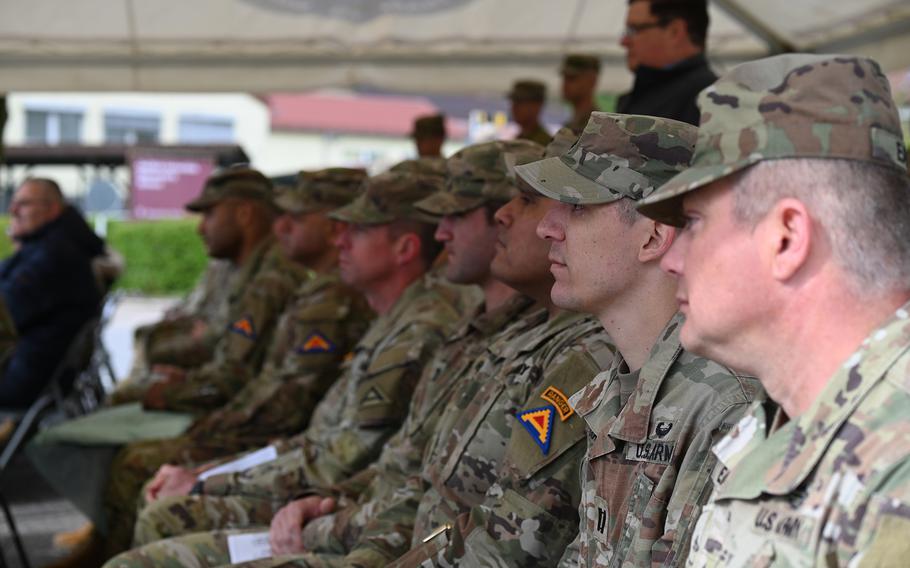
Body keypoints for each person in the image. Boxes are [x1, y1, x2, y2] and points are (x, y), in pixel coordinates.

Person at [104, 140, 555, 568]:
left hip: (366, 528)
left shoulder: (429, 328)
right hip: (353, 515)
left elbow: (341, 454)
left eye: (358, 230)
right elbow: (382, 464)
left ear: (404, 247)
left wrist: (213, 479)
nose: (340, 241)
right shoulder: (466, 328)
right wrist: (216, 475)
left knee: (154, 524)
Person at [636, 53, 910, 566]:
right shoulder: (776, 421)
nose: (671, 259)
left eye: (693, 222)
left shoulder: (897, 462)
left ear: (786, 238)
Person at [521, 111, 765, 566]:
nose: (546, 228)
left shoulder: (726, 407)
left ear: (653, 237)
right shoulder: (621, 387)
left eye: (576, 206)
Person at [28, 165, 306, 562]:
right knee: (125, 433)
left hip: (244, 418)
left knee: (134, 459)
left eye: (211, 213)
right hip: (233, 408)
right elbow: (220, 352)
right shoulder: (243, 270)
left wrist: (167, 391)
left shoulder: (271, 279)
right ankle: (106, 540)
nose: (200, 227)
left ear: (244, 213)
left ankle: (112, 549)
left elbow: (233, 376)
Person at [100, 167, 374, 557]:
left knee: (141, 471)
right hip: (289, 448)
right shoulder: (312, 287)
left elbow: (277, 403)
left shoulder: (321, 295)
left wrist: (205, 449)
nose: (283, 228)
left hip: (292, 455)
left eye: (297, 217)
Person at [0, 177, 104, 409]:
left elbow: (8, 309)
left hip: (20, 376)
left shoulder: (54, 255)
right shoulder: (57, 244)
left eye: (24, 203)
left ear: (53, 208)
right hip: (34, 371)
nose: (13, 210)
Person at [616, 0, 716, 126]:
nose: (624, 42)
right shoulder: (644, 94)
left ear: (675, 31)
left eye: (634, 30)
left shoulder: (712, 101)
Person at [560, 54, 601, 134]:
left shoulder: (596, 125)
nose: (565, 84)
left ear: (592, 80)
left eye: (572, 78)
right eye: (565, 78)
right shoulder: (571, 124)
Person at [508, 79, 553, 146]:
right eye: (514, 102)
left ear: (536, 106)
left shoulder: (544, 144)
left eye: (520, 102)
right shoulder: (519, 138)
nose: (514, 107)